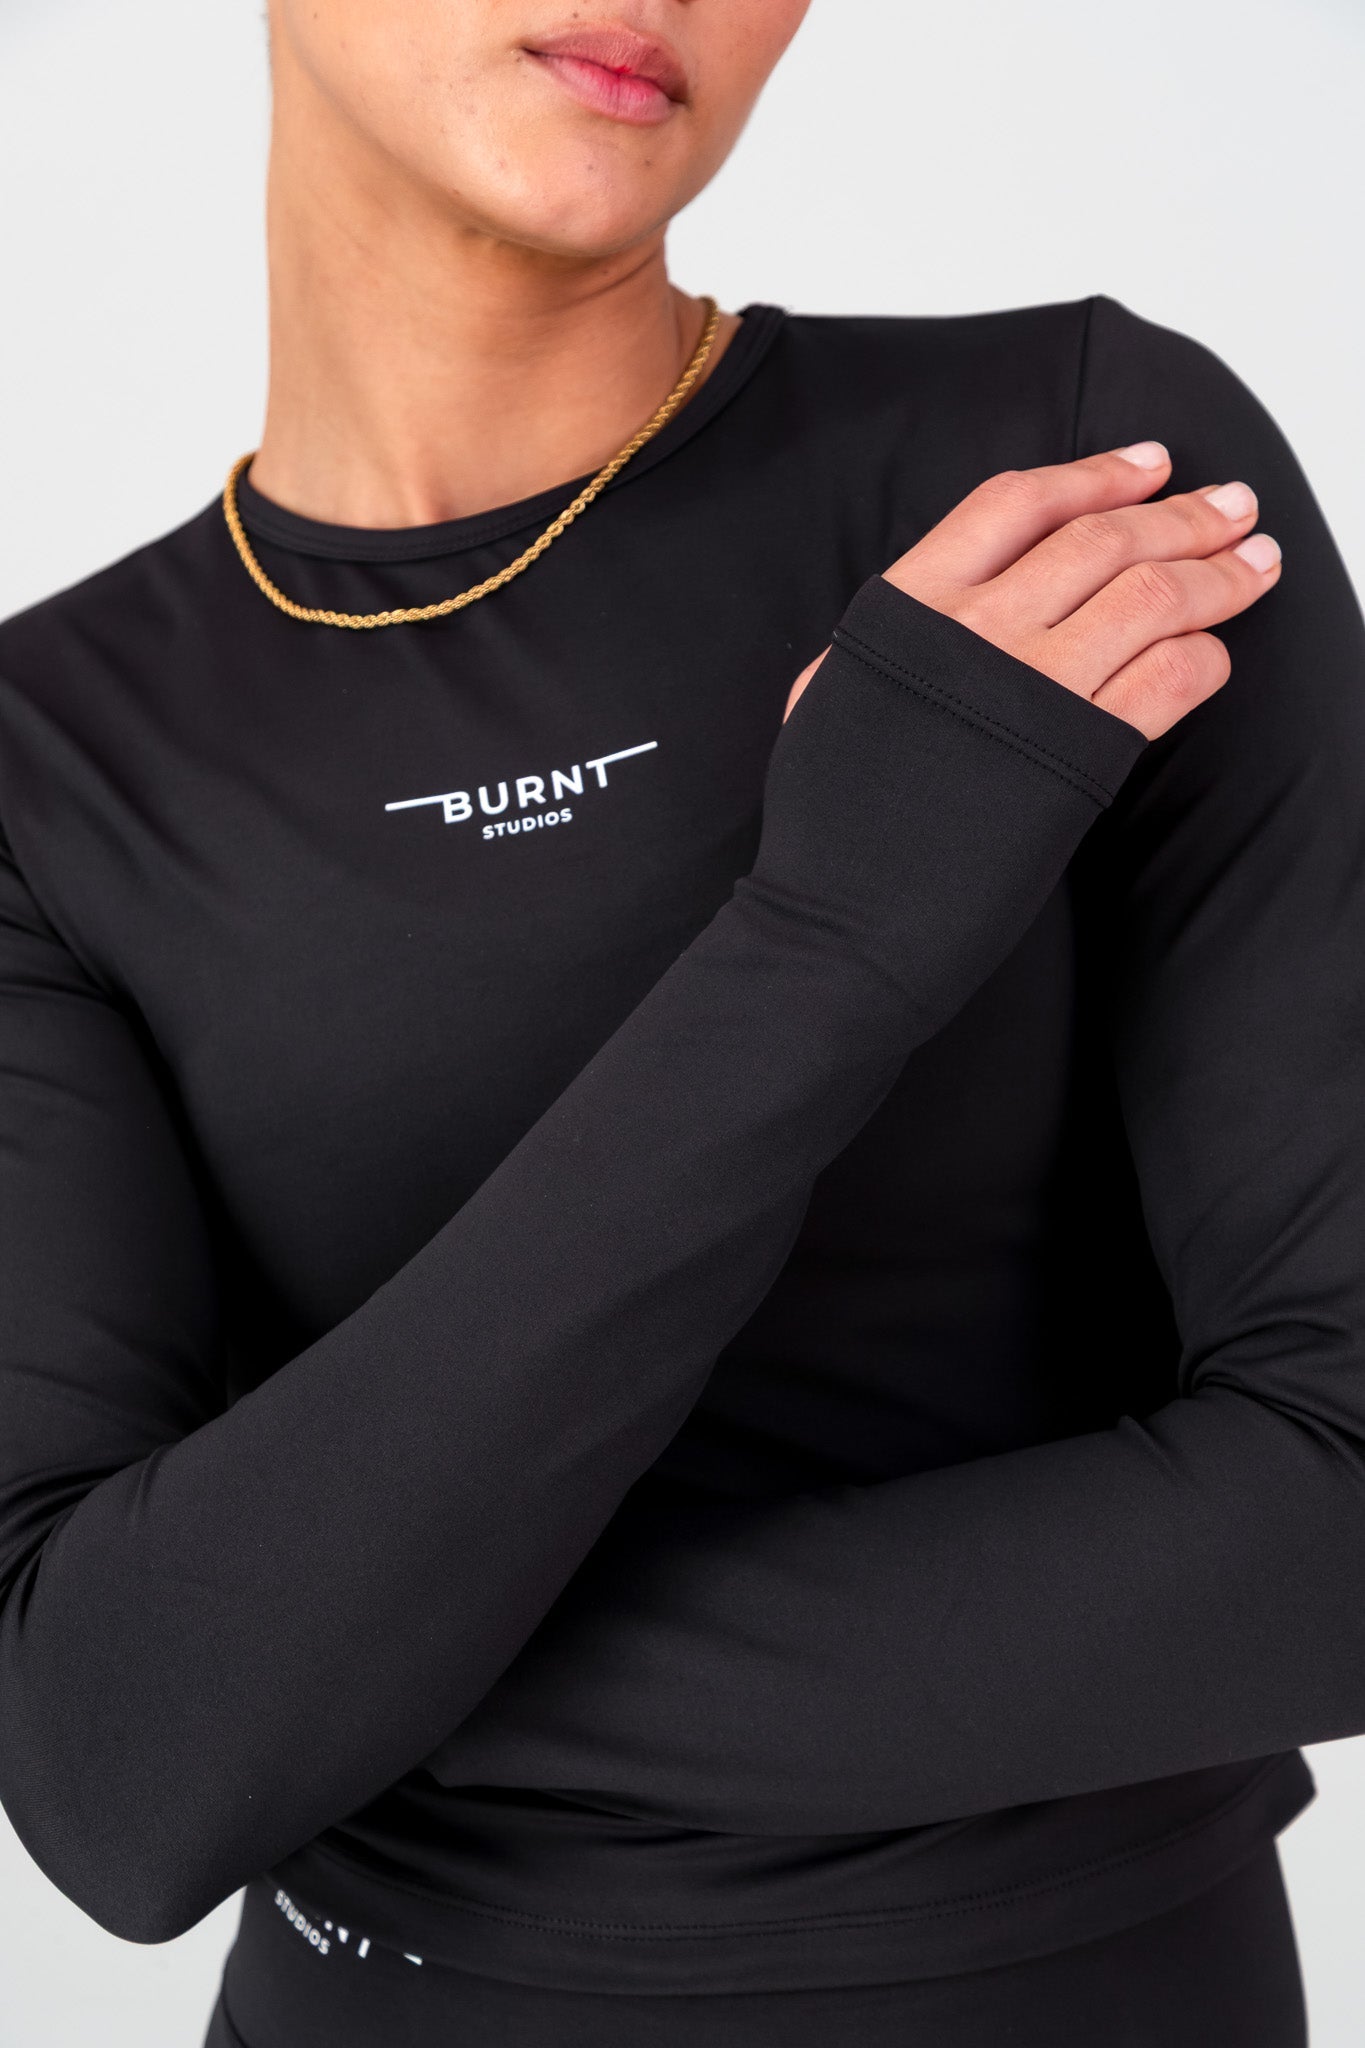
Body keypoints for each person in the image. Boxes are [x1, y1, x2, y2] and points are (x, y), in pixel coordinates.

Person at [0, 3, 1360, 2043]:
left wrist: (322, 1687)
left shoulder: (1070, 488)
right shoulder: (49, 769)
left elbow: (1340, 1505)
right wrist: (832, 938)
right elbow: (117, 1773)